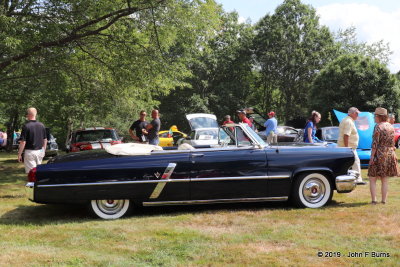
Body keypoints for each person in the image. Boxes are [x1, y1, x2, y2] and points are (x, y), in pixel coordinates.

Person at [368, 107, 400, 204]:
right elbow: (393, 143)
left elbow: (375, 144)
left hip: (379, 154)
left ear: (379, 116)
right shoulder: (391, 126)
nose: (374, 117)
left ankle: (374, 200)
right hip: (389, 154)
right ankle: (384, 201)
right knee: (385, 179)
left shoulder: (378, 127)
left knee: (372, 178)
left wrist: (372, 157)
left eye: (375, 116)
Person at [338, 107, 366, 185]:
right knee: (356, 162)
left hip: (345, 147)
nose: (358, 115)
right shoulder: (349, 122)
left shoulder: (346, 120)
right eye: (357, 113)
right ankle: (358, 180)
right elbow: (346, 135)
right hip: (348, 148)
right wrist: (347, 149)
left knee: (348, 163)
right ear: (353, 113)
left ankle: (346, 179)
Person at [18, 107, 47, 173]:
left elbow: (23, 142)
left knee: (31, 174)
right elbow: (45, 140)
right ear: (35, 114)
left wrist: (19, 154)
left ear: (28, 115)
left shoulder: (26, 126)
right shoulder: (42, 125)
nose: (26, 116)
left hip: (30, 152)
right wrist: (44, 151)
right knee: (38, 173)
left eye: (27, 114)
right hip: (40, 151)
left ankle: (33, 183)